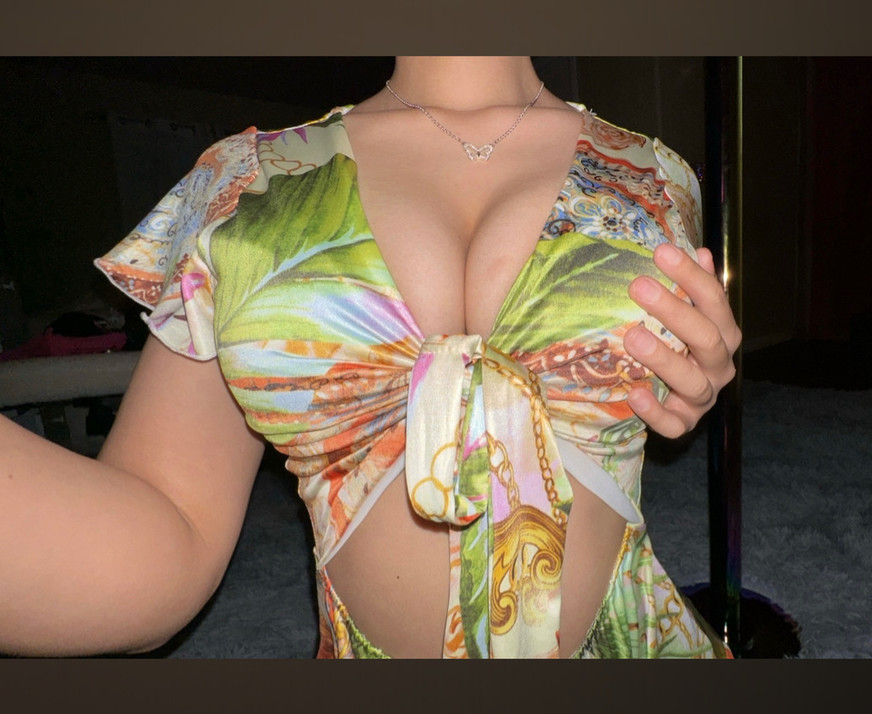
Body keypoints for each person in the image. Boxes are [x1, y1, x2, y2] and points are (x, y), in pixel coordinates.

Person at [0, 56, 741, 658]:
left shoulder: (654, 174)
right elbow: (167, 526)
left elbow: (667, 373)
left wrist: (690, 378)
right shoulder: (240, 186)